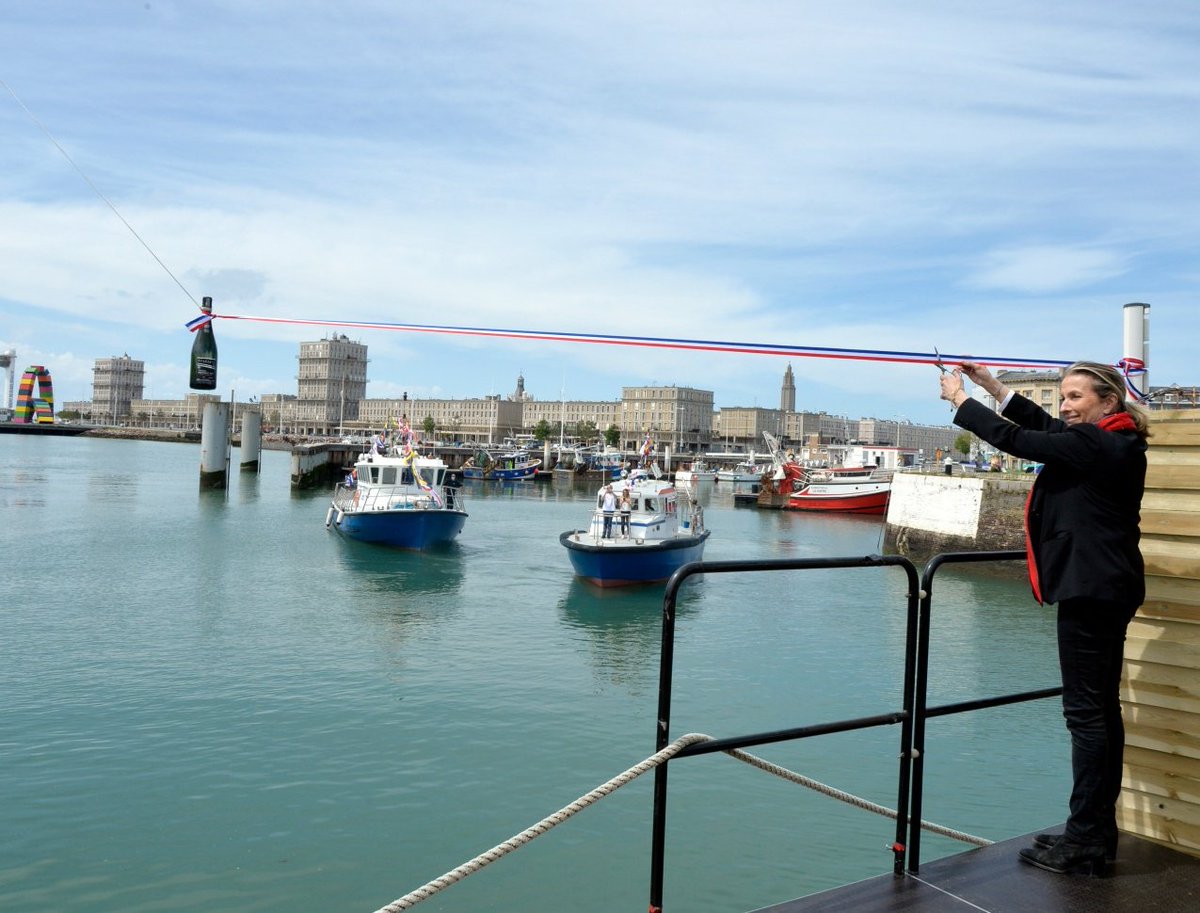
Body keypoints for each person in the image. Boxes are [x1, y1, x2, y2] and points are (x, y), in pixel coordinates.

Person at [939, 359, 1149, 877]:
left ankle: (1085, 841)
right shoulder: (1113, 439)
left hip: (1090, 590)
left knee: (1086, 716)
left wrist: (960, 400)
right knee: (1100, 713)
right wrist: (993, 387)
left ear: (1108, 401)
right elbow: (1047, 428)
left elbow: (1019, 440)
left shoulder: (1097, 444)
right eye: (1063, 396)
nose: (1065, 405)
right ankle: (1094, 832)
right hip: (1107, 587)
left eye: (1076, 396)